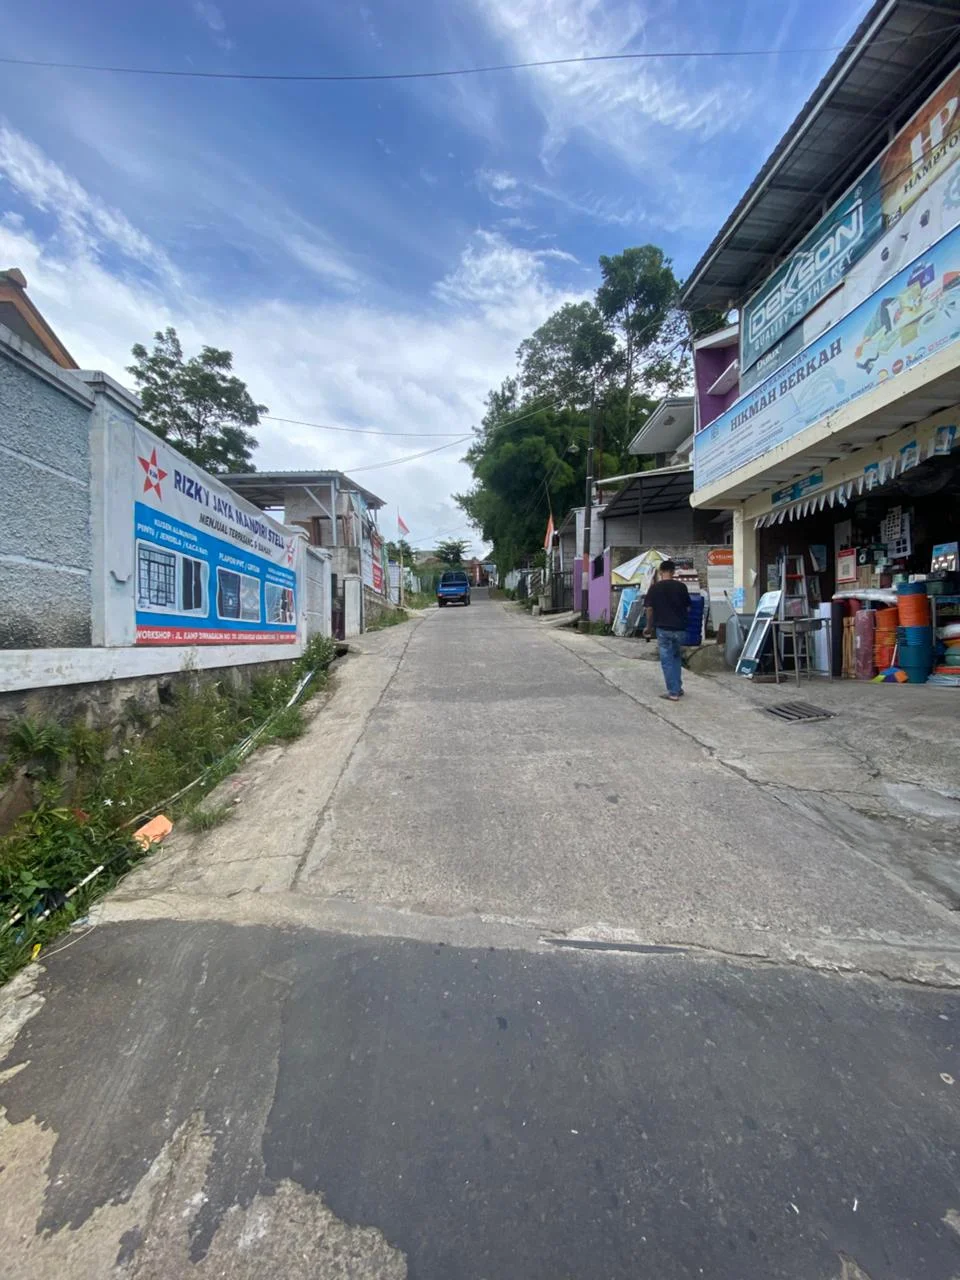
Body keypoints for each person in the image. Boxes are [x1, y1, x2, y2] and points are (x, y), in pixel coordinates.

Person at [643, 560, 690, 702]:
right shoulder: (681, 587)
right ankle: (678, 687)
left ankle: (673, 692)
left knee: (667, 661)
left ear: (660, 571)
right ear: (673, 572)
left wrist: (648, 627)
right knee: (676, 657)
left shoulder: (654, 588)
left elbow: (649, 609)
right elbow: (688, 607)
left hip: (663, 629)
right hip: (680, 628)